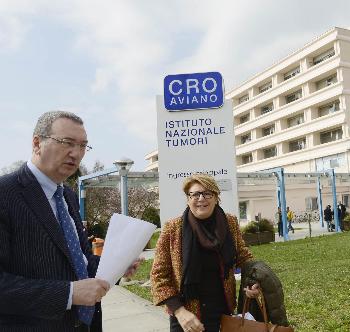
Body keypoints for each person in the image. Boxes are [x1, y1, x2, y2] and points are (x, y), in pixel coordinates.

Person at [0, 111, 141, 331]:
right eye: (67, 142)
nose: (76, 153)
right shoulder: (5, 194)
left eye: (83, 145)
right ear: (37, 143)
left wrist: (115, 267)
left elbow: (79, 264)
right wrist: (68, 294)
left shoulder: (68, 196)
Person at [150, 174, 260, 332]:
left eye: (207, 193)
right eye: (195, 194)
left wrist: (253, 281)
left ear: (216, 197)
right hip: (186, 315)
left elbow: (243, 257)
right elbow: (158, 276)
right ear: (188, 199)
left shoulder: (230, 222)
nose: (201, 198)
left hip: (222, 310)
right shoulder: (173, 228)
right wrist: (180, 312)